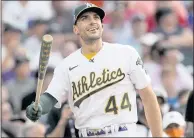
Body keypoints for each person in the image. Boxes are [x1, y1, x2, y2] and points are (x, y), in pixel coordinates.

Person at [26, 3, 163, 137]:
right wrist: (39, 106)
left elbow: (148, 97)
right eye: (85, 18)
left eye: (96, 17)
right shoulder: (66, 65)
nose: (92, 21)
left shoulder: (126, 53)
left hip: (123, 131)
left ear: (102, 26)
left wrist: (158, 135)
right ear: (76, 29)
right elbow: (50, 97)